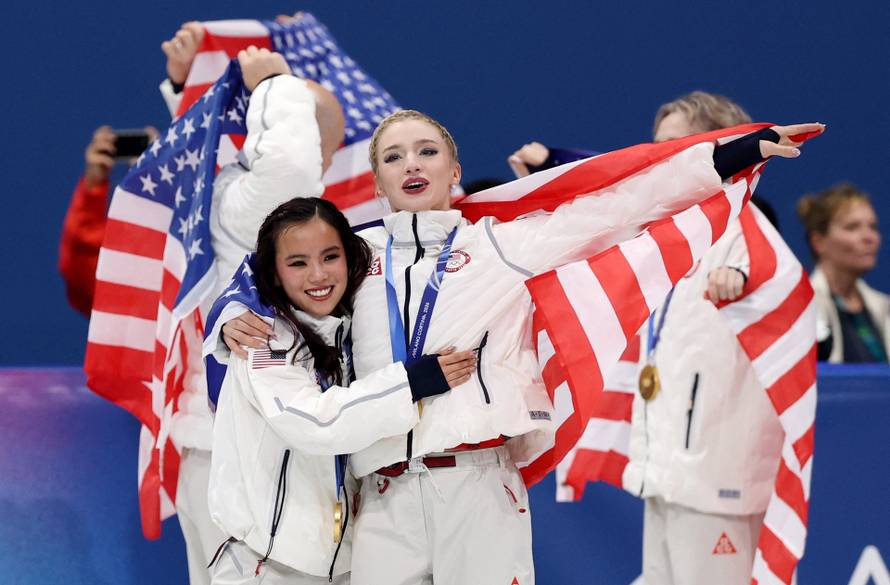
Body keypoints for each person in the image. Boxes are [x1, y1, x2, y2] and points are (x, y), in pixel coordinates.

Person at [215, 109, 821, 585]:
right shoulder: (354, 256)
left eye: (428, 151)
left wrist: (729, 156)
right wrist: (230, 310)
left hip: (476, 484)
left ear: (456, 172)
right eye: (394, 157)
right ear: (378, 183)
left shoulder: (502, 246)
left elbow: (618, 203)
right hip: (381, 499)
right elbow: (275, 268)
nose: (412, 164)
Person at [207, 197, 475, 584]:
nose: (318, 275)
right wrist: (411, 383)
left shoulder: (355, 331)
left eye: (330, 257)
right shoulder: (262, 339)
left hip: (348, 566)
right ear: (275, 272)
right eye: (297, 263)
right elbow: (314, 421)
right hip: (268, 569)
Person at [170, 45, 349, 585]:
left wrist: (184, 92)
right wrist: (274, 82)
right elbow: (289, 165)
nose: (326, 137)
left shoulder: (227, 196)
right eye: (309, 123)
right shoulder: (252, 202)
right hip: (254, 454)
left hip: (231, 444)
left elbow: (196, 151)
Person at [621, 91, 797, 585]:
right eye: (656, 145)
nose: (661, 157)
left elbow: (783, 286)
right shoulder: (674, 231)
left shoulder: (748, 223)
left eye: (676, 144)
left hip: (715, 475)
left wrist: (744, 280)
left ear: (719, 146)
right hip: (666, 470)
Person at [798, 183, 887, 362]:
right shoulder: (802, 306)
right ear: (818, 241)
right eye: (852, 227)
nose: (869, 237)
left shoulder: (884, 306)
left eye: (873, 227)